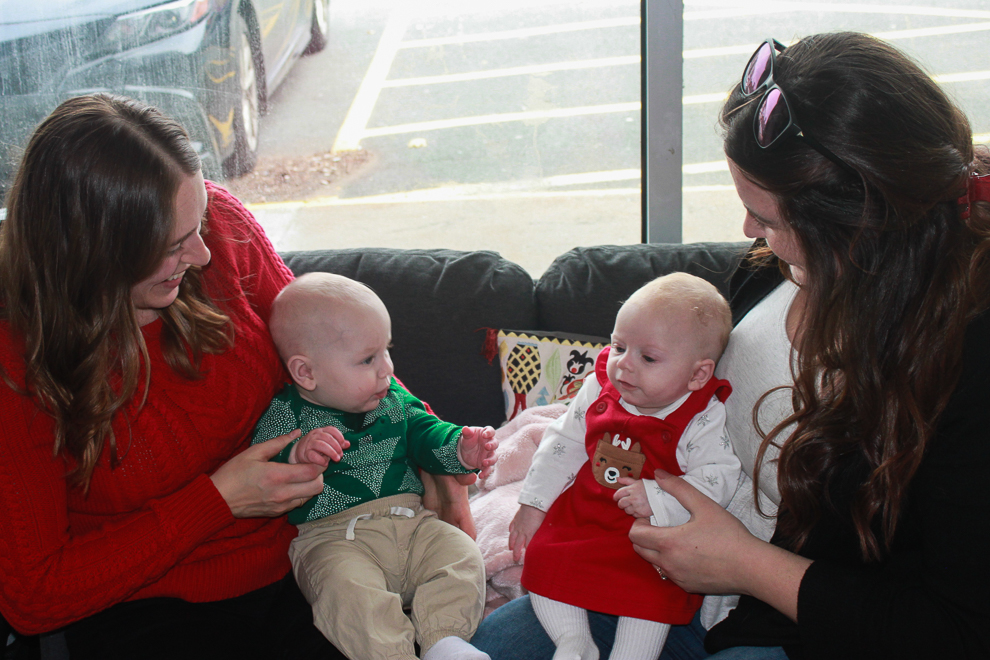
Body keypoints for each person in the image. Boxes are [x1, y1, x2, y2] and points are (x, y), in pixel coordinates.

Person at [473, 32, 990, 660]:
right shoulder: (777, 267)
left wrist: (744, 566)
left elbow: (956, 628)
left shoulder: (963, 367)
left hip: (795, 624)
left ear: (857, 227)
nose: (750, 233)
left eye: (767, 218)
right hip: (661, 567)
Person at [0, 94, 474, 659]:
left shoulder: (222, 231)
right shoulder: (16, 358)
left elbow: (338, 350)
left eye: (197, 223)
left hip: (310, 554)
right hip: (147, 608)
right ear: (94, 250)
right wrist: (218, 501)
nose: (202, 254)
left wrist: (435, 456)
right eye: (174, 244)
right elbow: (34, 595)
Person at [251, 272, 497, 660]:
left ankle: (444, 642)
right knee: (346, 592)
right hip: (332, 538)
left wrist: (461, 450)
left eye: (386, 349)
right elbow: (264, 470)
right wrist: (299, 455)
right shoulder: (286, 415)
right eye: (368, 358)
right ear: (306, 372)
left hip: (413, 523)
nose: (387, 368)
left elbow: (425, 432)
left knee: (462, 555)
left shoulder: (392, 397)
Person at [507, 273, 739, 660]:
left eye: (647, 357)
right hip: (584, 516)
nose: (624, 366)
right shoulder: (600, 387)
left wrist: (657, 495)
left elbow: (720, 477)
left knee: (652, 593)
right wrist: (534, 503)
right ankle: (573, 639)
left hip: (649, 536)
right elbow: (562, 440)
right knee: (545, 557)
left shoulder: (702, 415)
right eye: (618, 346)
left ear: (698, 374)